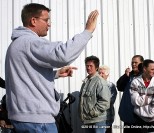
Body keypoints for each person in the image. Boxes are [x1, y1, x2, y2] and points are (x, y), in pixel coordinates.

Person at [5, 3, 99, 133]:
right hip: (37, 121)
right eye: (46, 20)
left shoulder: (16, 44)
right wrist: (88, 31)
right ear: (33, 20)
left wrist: (56, 74)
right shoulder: (30, 42)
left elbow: (26, 75)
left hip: (24, 117)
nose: (49, 24)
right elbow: (62, 55)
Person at [130, 59, 154, 132]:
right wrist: (151, 96)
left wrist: (151, 113)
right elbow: (135, 101)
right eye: (152, 69)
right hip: (140, 119)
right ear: (144, 69)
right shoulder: (135, 82)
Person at [79, 56, 111, 133]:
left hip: (98, 120)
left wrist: (92, 113)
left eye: (91, 66)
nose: (88, 68)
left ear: (96, 67)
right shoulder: (86, 82)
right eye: (87, 66)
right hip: (88, 120)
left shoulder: (100, 81)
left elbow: (105, 102)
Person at [117, 55, 144, 133]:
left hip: (139, 117)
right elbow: (119, 87)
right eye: (132, 62)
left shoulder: (145, 76)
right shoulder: (129, 75)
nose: (134, 64)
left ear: (142, 63)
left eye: (136, 62)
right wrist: (126, 76)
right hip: (128, 115)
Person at [98, 65, 117, 133]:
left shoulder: (111, 86)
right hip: (96, 118)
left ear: (107, 75)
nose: (100, 75)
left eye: (102, 73)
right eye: (99, 73)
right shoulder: (94, 85)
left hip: (107, 117)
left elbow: (110, 101)